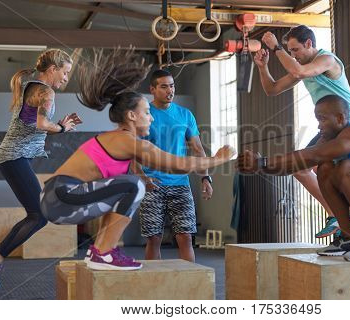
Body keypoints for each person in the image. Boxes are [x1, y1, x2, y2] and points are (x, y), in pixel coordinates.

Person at [39, 48, 235, 271]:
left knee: (128, 187)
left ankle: (101, 250)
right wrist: (219, 158)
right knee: (133, 186)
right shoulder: (127, 141)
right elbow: (179, 164)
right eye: (146, 113)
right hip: (61, 198)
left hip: (59, 199)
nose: (151, 117)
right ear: (132, 116)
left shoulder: (123, 139)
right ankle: (102, 253)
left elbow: (181, 162)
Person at [237, 95, 350, 261]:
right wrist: (259, 168)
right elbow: (297, 165)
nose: (319, 125)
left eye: (322, 119)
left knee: (345, 167)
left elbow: (314, 154)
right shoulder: (328, 138)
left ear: (341, 118)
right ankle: (349, 238)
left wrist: (262, 162)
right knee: (325, 168)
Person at [254, 25, 350, 238]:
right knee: (301, 170)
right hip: (330, 127)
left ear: (309, 44)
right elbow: (272, 89)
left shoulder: (327, 61)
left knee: (317, 170)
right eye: (290, 50)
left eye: (295, 50)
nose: (293, 55)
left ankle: (349, 219)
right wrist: (262, 67)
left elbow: (298, 71)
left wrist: (277, 47)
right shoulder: (303, 67)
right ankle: (341, 219)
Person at [0, 49, 82, 288]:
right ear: (52, 70)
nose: (66, 78)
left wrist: (60, 125)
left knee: (37, 214)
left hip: (15, 157)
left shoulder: (34, 86)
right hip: (14, 157)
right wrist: (62, 129)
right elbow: (41, 123)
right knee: (39, 215)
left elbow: (33, 123)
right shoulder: (45, 91)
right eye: (64, 73)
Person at [133, 69, 212, 263]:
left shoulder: (185, 115)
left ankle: (191, 287)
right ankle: (154, 288)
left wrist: (205, 177)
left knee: (185, 237)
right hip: (153, 185)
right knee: (154, 239)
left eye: (172, 85)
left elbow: (198, 150)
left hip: (180, 184)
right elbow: (131, 154)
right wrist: (143, 179)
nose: (170, 90)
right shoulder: (144, 115)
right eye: (164, 86)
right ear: (152, 89)